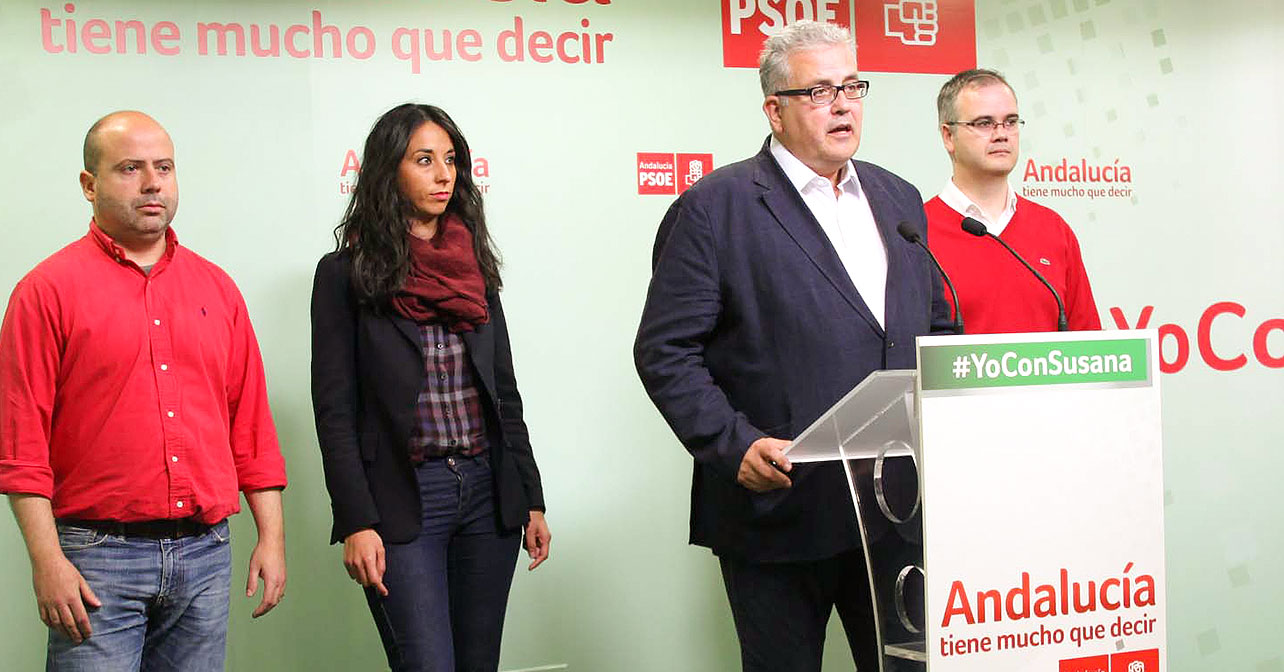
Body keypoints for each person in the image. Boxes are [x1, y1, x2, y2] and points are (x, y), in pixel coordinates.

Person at [633, 21, 953, 672]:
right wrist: (733, 443)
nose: (842, 104)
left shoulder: (900, 199)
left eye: (852, 86)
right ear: (773, 111)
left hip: (895, 512)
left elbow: (938, 328)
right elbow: (665, 350)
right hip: (780, 510)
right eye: (819, 92)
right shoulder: (714, 208)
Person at [0, 110, 288, 671]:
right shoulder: (44, 293)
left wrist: (271, 538)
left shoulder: (218, 289)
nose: (153, 182)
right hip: (94, 559)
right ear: (89, 185)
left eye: (164, 167)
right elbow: (20, 447)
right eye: (130, 168)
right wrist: (46, 559)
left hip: (206, 553)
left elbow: (250, 427)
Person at [310, 103, 551, 672]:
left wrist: (531, 495)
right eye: (425, 160)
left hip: (488, 495)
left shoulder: (475, 269)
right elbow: (335, 411)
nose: (444, 175)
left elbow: (504, 394)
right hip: (402, 497)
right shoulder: (344, 275)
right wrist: (356, 519)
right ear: (388, 171)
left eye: (451, 161)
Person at [926, 68, 1101, 333]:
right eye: (984, 123)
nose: (1001, 134)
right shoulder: (919, 233)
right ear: (948, 136)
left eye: (1010, 122)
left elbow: (1089, 344)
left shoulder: (1054, 229)